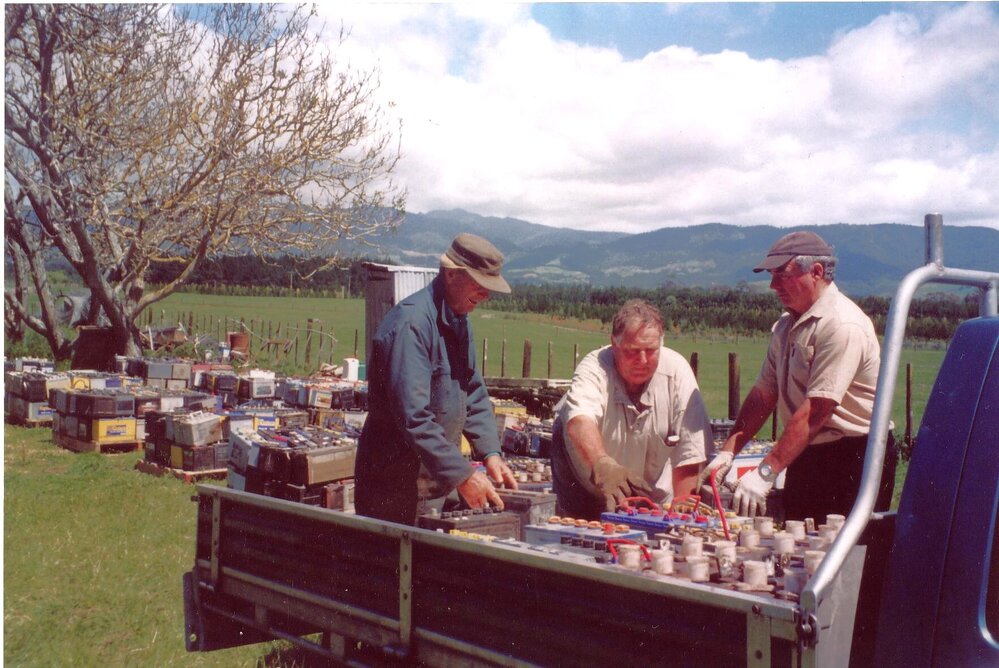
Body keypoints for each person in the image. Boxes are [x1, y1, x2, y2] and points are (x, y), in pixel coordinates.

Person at [698, 231, 896, 520]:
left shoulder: (842, 325)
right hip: (808, 451)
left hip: (855, 457)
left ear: (816, 272)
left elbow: (816, 410)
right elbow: (764, 393)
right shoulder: (786, 326)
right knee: (799, 545)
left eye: (782, 274)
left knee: (844, 552)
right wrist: (729, 451)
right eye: (771, 275)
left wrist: (765, 472)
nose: (773, 285)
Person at [355, 233, 518, 525]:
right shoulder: (411, 325)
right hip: (396, 487)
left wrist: (491, 452)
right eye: (480, 286)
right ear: (452, 275)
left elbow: (472, 390)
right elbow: (414, 418)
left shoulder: (458, 318)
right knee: (396, 567)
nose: (485, 296)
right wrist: (463, 474)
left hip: (433, 480)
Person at [550, 299, 711, 520]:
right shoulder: (594, 367)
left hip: (650, 492)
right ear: (614, 345)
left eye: (651, 350)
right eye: (633, 351)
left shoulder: (677, 372)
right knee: (581, 537)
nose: (642, 360)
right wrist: (602, 464)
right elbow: (579, 422)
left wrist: (680, 514)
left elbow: (690, 450)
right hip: (585, 484)